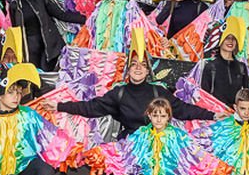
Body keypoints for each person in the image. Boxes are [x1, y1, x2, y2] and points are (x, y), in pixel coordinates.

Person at [48, 31, 221, 139]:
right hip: (131, 142)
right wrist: (58, 106)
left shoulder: (158, 91)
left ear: (148, 72)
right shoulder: (119, 93)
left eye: (143, 65)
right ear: (128, 70)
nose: (138, 68)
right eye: (134, 65)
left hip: (157, 141)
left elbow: (183, 109)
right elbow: (90, 107)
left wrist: (212, 115)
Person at [123, 98, 213, 175]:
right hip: (148, 174)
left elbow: (191, 151)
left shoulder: (177, 134)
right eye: (155, 115)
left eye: (163, 116)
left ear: (168, 117)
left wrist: (183, 173)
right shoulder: (142, 133)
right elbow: (125, 148)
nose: (159, 120)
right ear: (149, 115)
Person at [6, 0, 86, 71]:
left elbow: (61, 14)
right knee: (33, 74)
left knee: (47, 74)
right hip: (28, 47)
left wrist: (86, 18)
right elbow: (15, 29)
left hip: (48, 44)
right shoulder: (14, 5)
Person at [201, 17, 249, 105]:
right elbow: (204, 97)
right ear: (220, 40)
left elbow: (247, 95)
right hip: (217, 115)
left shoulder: (241, 67)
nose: (230, 41)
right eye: (227, 38)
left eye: (234, 38)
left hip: (236, 116)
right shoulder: (210, 66)